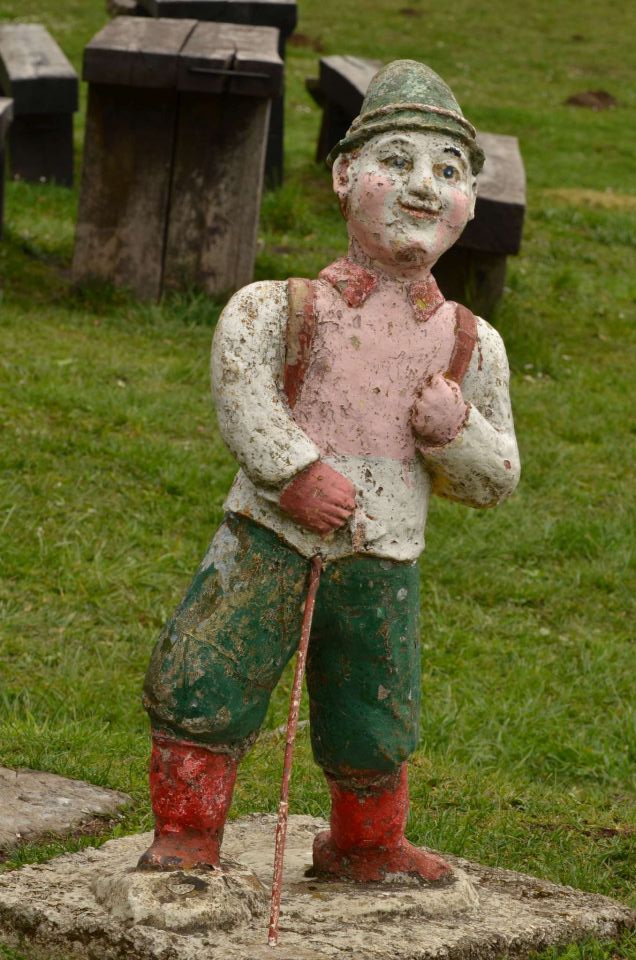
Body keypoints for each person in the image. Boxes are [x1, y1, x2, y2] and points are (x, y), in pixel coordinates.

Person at [138, 59, 520, 884]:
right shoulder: (279, 307)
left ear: (470, 203)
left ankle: (367, 842)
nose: (424, 188)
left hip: (383, 552)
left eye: (449, 172)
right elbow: (242, 390)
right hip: (271, 532)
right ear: (347, 176)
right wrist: (295, 471)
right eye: (399, 162)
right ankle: (187, 834)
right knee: (209, 671)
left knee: (375, 705)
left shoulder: (470, 344)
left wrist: (455, 434)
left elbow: (496, 477)